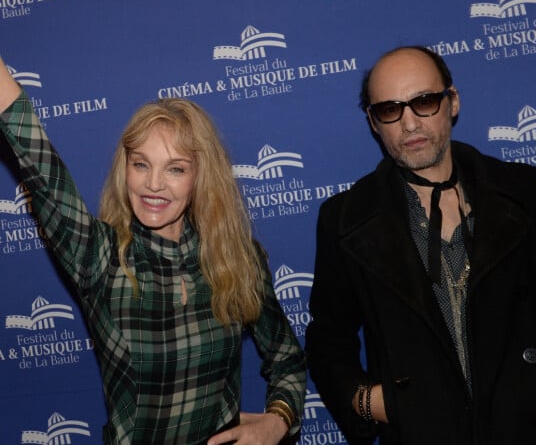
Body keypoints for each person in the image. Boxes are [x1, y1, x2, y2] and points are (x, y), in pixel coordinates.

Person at [0, 56, 306, 445]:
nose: (154, 184)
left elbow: (288, 359)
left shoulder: (237, 257)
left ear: (200, 177)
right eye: (141, 164)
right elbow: (36, 155)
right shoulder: (98, 256)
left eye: (175, 168)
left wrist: (277, 420)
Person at [305, 46, 536, 444]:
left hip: (526, 429)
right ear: (373, 122)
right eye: (390, 109)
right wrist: (373, 403)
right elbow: (329, 340)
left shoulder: (522, 190)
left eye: (424, 101)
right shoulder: (346, 218)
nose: (409, 124)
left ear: (452, 102)